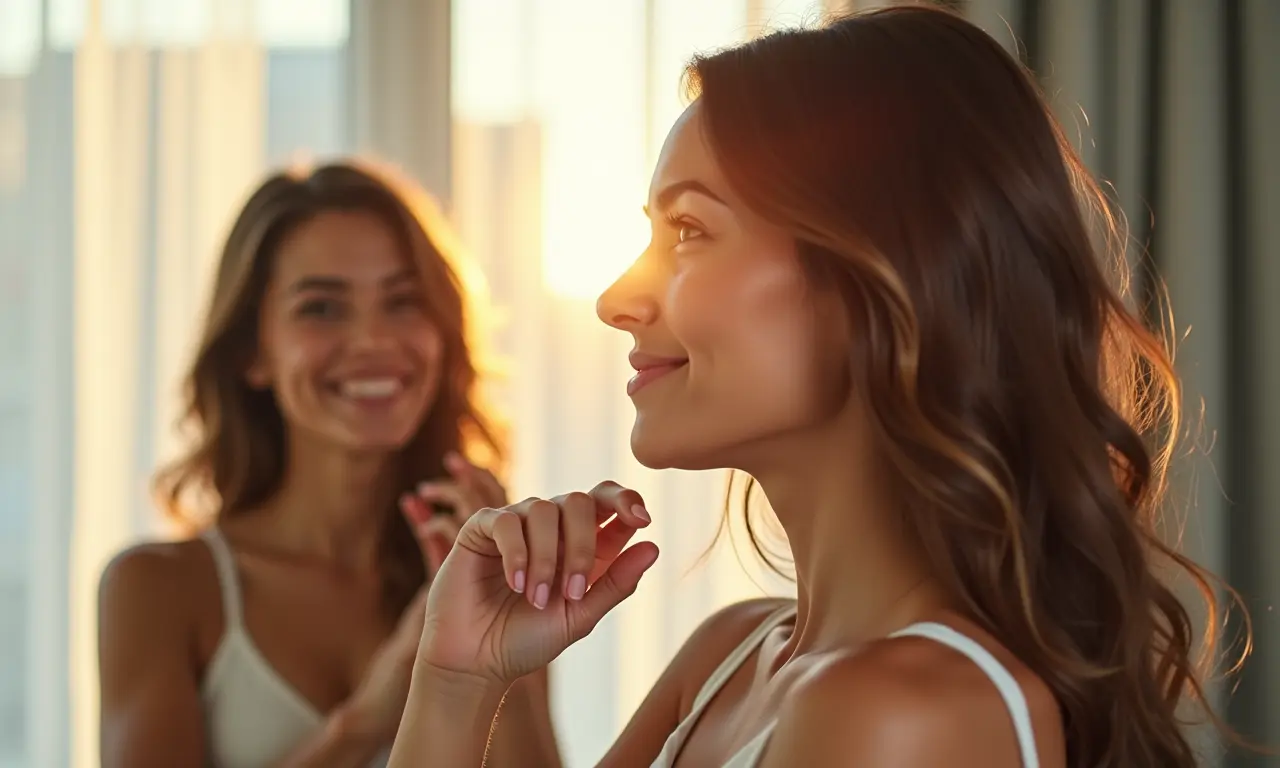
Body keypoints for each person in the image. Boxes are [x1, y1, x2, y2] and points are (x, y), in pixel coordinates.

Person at [386, 7, 1246, 768]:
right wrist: (458, 679)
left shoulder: (901, 712)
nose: (617, 299)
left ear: (880, 280)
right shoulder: (730, 657)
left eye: (688, 229)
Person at [97, 161, 560, 768]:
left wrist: (509, 661)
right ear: (252, 354)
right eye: (322, 308)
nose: (373, 341)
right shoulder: (159, 589)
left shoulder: (487, 571)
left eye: (404, 301)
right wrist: (367, 719)